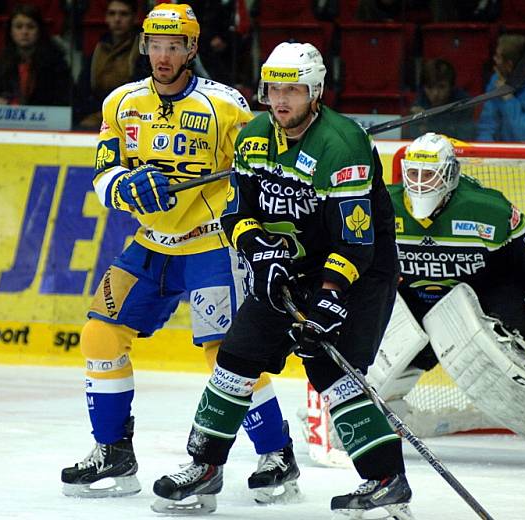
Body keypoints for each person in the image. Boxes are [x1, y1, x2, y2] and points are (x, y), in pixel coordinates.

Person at [152, 42, 413, 519]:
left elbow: (356, 241)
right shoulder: (253, 138)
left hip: (358, 270)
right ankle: (205, 465)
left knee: (330, 370)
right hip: (290, 267)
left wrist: (332, 298)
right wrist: (259, 252)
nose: (280, 100)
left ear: (315, 93)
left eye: (292, 90)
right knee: (235, 358)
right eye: (274, 89)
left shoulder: (343, 144)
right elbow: (237, 212)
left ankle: (385, 479)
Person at [60, 3, 299, 503]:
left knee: (227, 355)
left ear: (192, 48)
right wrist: (126, 186)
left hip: (211, 244)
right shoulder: (121, 103)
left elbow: (264, 163)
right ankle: (114, 453)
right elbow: (103, 175)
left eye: (174, 46)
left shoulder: (226, 105)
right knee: (99, 335)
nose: (163, 56)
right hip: (150, 244)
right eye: (156, 45)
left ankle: (277, 455)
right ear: (145, 45)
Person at [361, 132, 525, 470]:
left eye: (428, 175)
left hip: (494, 305)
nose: (419, 184)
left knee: (483, 355)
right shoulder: (383, 206)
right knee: (372, 356)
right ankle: (378, 412)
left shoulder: (488, 210)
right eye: (412, 174)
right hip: (418, 308)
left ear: (450, 174)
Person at [74, 0, 142, 129]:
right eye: (112, 14)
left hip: (131, 117)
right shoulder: (98, 49)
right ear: (106, 18)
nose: (117, 19)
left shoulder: (144, 50)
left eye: (123, 14)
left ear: (134, 18)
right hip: (95, 115)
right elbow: (82, 90)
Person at [0, 3, 72, 106]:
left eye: (30, 27)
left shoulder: (56, 64)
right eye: (19, 27)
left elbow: (64, 99)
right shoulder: (0, 63)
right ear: (11, 32)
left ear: (39, 31)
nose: (24, 32)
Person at [403, 58, 475, 140]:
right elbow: (412, 140)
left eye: (441, 87)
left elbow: (465, 138)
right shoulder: (418, 105)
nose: (435, 93)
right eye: (430, 87)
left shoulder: (464, 105)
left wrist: (428, 123)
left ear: (451, 87)